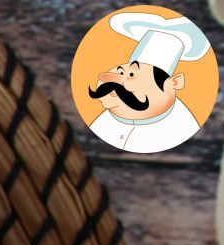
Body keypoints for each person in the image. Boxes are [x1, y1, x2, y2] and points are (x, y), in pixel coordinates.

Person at [88, 11, 211, 154]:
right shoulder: (103, 121)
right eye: (120, 71)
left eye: (132, 75)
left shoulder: (180, 128)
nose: (114, 82)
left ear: (174, 83)